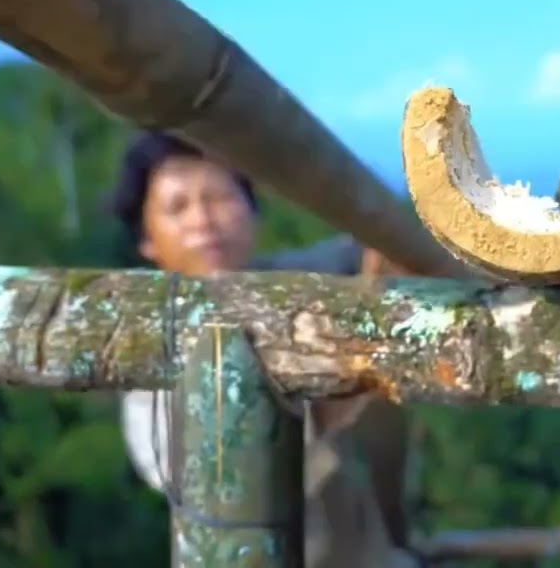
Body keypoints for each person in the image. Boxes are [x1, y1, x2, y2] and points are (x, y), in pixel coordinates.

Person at [109, 131, 419, 567]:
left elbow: (362, 250)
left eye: (219, 197)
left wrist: (389, 251)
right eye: (177, 207)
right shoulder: (148, 339)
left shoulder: (278, 279)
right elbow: (196, 466)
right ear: (146, 239)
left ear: (252, 212)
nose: (203, 219)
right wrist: (356, 360)